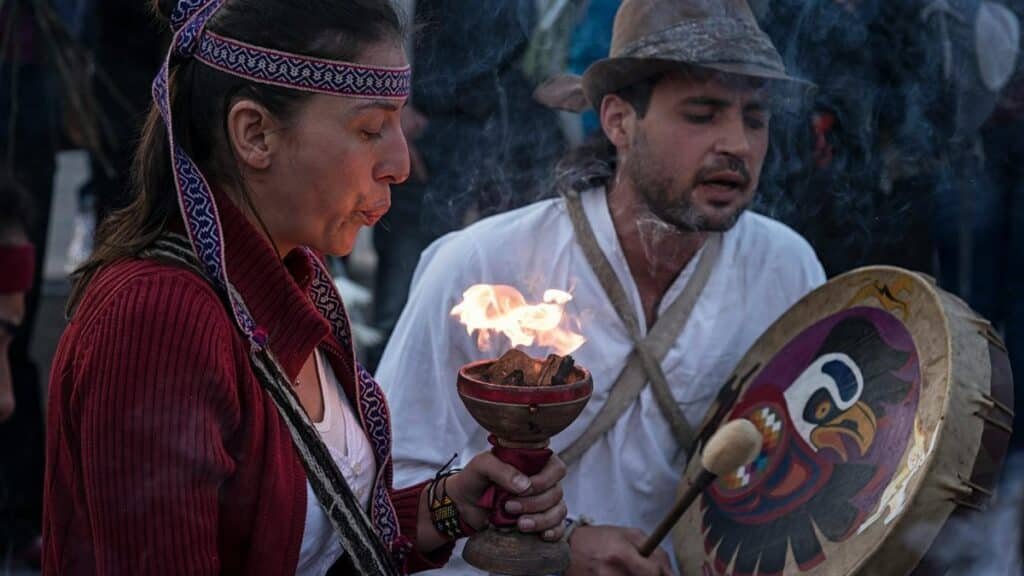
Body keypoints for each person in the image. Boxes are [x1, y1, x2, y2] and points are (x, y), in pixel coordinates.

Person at [42, 1, 567, 574]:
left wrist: (448, 506)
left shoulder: (299, 281)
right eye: (370, 129)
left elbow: (314, 538)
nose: (399, 163)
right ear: (255, 133)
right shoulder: (156, 318)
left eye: (399, 124)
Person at [377, 0, 827, 574]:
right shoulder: (483, 265)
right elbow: (393, 483)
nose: (737, 144)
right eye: (701, 113)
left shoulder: (787, 268)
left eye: (754, 119)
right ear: (618, 121)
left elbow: (805, 470)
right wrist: (555, 549)